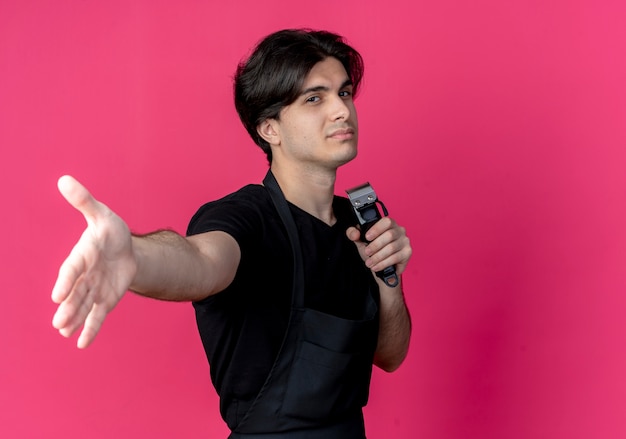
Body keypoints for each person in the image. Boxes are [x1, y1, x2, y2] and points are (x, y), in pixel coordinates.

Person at [51, 29, 412, 438]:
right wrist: (134, 257)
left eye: (344, 93)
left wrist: (389, 278)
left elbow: (390, 354)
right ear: (269, 129)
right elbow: (201, 261)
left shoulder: (359, 223)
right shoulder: (246, 218)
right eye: (315, 98)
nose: (342, 110)